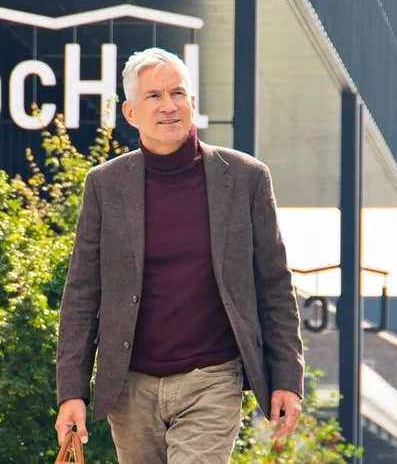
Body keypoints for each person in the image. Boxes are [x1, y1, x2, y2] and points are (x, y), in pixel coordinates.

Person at [54, 47, 304, 463]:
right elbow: (81, 294)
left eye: (178, 93)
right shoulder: (104, 185)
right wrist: (72, 393)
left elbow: (275, 285)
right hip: (129, 388)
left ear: (193, 102)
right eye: (154, 96)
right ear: (131, 112)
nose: (168, 106)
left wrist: (288, 379)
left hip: (212, 379)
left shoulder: (245, 179)